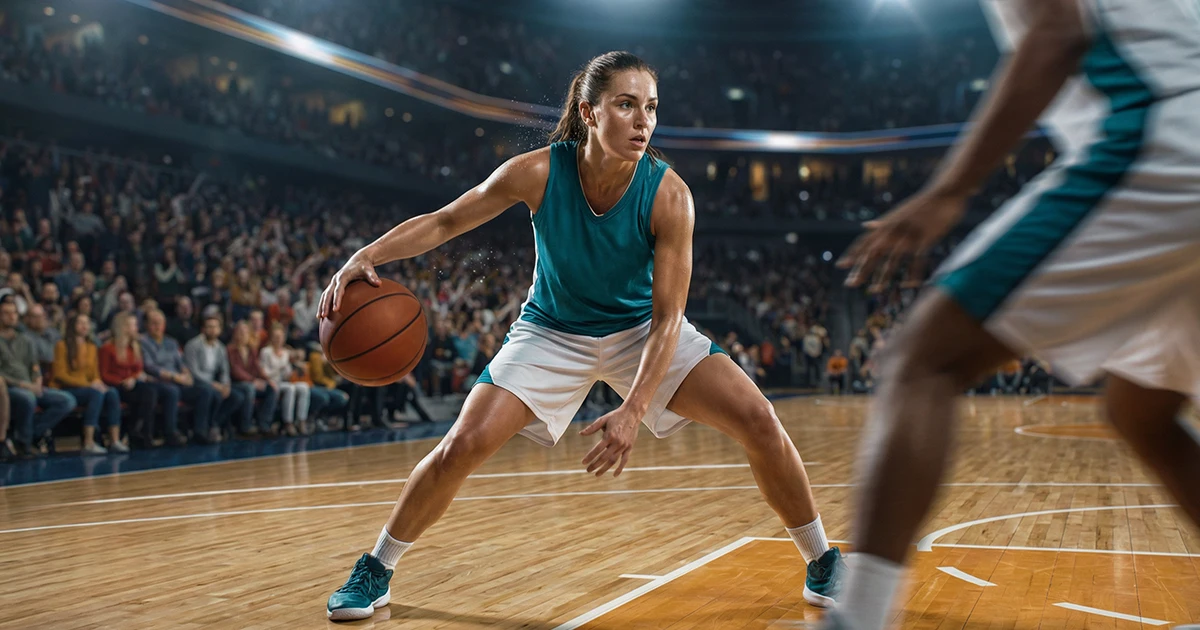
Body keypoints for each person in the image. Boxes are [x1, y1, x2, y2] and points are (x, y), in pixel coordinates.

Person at [318, 51, 842, 622]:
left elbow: (669, 319)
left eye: (651, 108)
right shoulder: (537, 171)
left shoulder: (670, 195)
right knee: (460, 446)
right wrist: (364, 255)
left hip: (641, 330)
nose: (643, 121)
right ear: (589, 113)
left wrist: (633, 408)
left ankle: (820, 560)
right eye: (626, 105)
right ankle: (377, 567)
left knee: (760, 419)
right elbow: (446, 221)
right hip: (551, 332)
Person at [829, 1, 1200, 627]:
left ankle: (858, 617)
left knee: (923, 360)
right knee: (1144, 410)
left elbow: (1056, 33)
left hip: (1159, 138)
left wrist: (950, 190)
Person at [0, 299, 75, 457]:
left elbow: (34, 366)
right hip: (8, 388)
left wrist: (37, 381)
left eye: (14, 313)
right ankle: (24, 444)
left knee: (66, 400)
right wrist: (23, 385)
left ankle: (31, 433)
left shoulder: (25, 339)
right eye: (6, 313)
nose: (12, 317)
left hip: (30, 385)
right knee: (27, 398)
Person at [52, 312, 128, 454]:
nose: (84, 326)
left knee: (111, 392)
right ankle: (88, 442)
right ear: (72, 326)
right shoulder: (62, 345)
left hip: (88, 388)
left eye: (86, 323)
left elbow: (95, 374)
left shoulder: (92, 346)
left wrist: (99, 383)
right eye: (80, 323)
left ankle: (114, 440)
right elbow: (60, 375)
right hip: (67, 388)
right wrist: (89, 385)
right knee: (96, 394)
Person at [99, 312, 164, 447]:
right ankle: (136, 432)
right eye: (133, 325)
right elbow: (104, 374)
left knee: (150, 391)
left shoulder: (134, 346)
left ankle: (143, 432)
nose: (136, 328)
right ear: (123, 327)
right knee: (145, 394)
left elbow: (138, 370)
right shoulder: (107, 348)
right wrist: (122, 381)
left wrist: (132, 379)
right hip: (114, 385)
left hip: (131, 383)